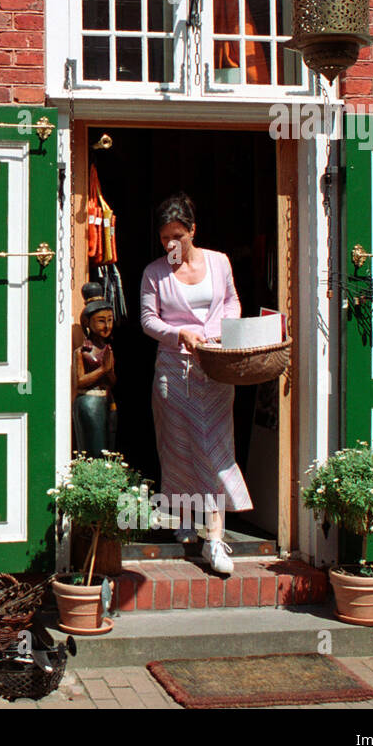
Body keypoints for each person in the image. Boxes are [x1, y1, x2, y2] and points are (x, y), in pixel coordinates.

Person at [139, 192, 251, 575]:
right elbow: (148, 320)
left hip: (215, 371)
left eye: (178, 236)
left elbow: (233, 302)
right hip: (174, 373)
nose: (171, 244)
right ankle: (184, 519)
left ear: (193, 231)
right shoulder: (155, 272)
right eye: (164, 238)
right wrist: (180, 334)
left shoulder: (219, 262)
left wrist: (219, 332)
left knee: (215, 449)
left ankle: (215, 539)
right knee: (178, 446)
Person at [74, 287, 117, 455]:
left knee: (108, 449)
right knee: (94, 448)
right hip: (89, 403)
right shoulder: (83, 351)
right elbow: (80, 381)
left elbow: (112, 381)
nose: (107, 326)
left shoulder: (107, 349)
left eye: (110, 320)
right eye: (101, 320)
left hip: (107, 401)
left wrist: (109, 371)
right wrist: (103, 370)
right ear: (87, 323)